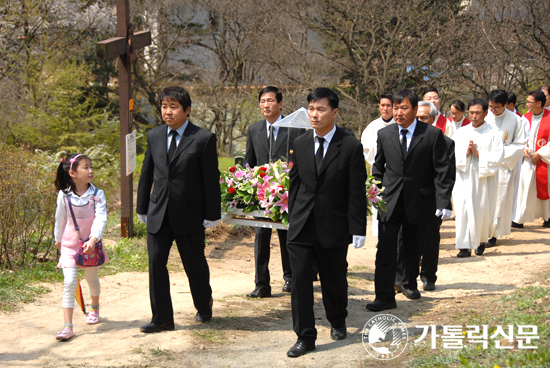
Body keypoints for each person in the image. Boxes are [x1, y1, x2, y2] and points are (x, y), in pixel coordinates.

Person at [286, 88, 367, 357]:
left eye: (320, 109)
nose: (314, 114)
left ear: (334, 112)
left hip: (333, 226)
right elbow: (295, 184)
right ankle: (305, 337)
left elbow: (356, 190)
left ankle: (337, 318)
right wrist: (291, 217)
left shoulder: (350, 145)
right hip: (301, 225)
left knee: (333, 280)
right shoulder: (300, 142)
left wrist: (357, 228)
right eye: (311, 108)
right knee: (299, 281)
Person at [137, 86, 221, 333]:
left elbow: (210, 178)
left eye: (173, 107)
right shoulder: (154, 136)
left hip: (190, 215)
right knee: (156, 265)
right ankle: (162, 318)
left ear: (187, 110)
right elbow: (146, 173)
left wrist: (212, 214)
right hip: (158, 213)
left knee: (194, 265)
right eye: (164, 106)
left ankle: (203, 305)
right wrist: (142, 207)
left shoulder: (203, 138)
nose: (168, 111)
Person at [367, 89, 452, 312]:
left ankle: (409, 283)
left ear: (415, 109)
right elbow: (378, 167)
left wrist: (443, 201)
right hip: (390, 200)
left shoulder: (432, 134)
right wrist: (375, 189)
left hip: (420, 200)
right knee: (385, 249)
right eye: (395, 108)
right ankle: (384, 295)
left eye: (404, 107)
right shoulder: (385, 134)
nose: (398, 112)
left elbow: (442, 170)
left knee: (413, 247)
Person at [244, 86, 302, 297]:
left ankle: (290, 278)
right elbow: (249, 162)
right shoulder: (253, 130)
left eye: (270, 100)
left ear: (280, 104)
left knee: (287, 236)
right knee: (261, 236)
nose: (265, 105)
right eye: (262, 101)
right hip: (261, 194)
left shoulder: (294, 129)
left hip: (286, 194)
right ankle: (262, 284)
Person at [54, 153, 108, 341]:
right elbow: (59, 219)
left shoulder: (97, 194)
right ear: (72, 173)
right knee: (69, 282)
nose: (90, 170)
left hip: (91, 245)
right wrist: (57, 239)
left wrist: (93, 240)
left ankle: (94, 308)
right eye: (85, 167)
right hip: (70, 246)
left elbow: (101, 218)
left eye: (91, 166)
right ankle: (68, 327)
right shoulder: (64, 195)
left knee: (91, 279)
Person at [404, 101, 455, 291]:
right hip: (408, 199)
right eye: (416, 117)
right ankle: (405, 277)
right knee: (407, 240)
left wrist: (444, 201)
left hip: (431, 199)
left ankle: (428, 276)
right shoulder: (405, 139)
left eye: (423, 118)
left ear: (433, 119)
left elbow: (447, 175)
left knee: (430, 239)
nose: (418, 121)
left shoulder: (446, 143)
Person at [453, 99, 504, 257]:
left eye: (478, 113)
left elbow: (498, 158)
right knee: (462, 210)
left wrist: (479, 155)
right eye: (471, 113)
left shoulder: (494, 133)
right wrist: (466, 154)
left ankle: (480, 241)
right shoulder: (461, 132)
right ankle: (464, 245)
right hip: (464, 177)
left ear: (486, 113)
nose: (474, 116)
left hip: (483, 179)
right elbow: (451, 155)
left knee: (481, 209)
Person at [485, 89, 526, 247]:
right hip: (485, 164)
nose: (493, 110)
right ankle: (481, 232)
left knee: (498, 199)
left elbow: (520, 144)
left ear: (505, 105)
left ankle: (493, 234)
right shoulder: (485, 117)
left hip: (503, 166)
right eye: (491, 107)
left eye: (497, 107)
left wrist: (500, 155)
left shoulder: (516, 120)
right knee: (485, 198)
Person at [513, 90, 550, 227]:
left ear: (539, 103)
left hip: (544, 160)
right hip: (528, 159)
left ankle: (548, 217)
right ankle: (520, 219)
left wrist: (540, 153)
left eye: (530, 102)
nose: (527, 104)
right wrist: (524, 149)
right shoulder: (524, 118)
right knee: (525, 189)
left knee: (547, 188)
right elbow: (520, 138)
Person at [360, 93, 395, 236]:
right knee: (379, 203)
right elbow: (365, 148)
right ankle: (380, 234)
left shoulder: (399, 124)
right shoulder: (372, 127)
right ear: (379, 106)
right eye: (383, 105)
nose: (385, 108)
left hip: (396, 171)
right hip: (379, 170)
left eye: (388, 105)